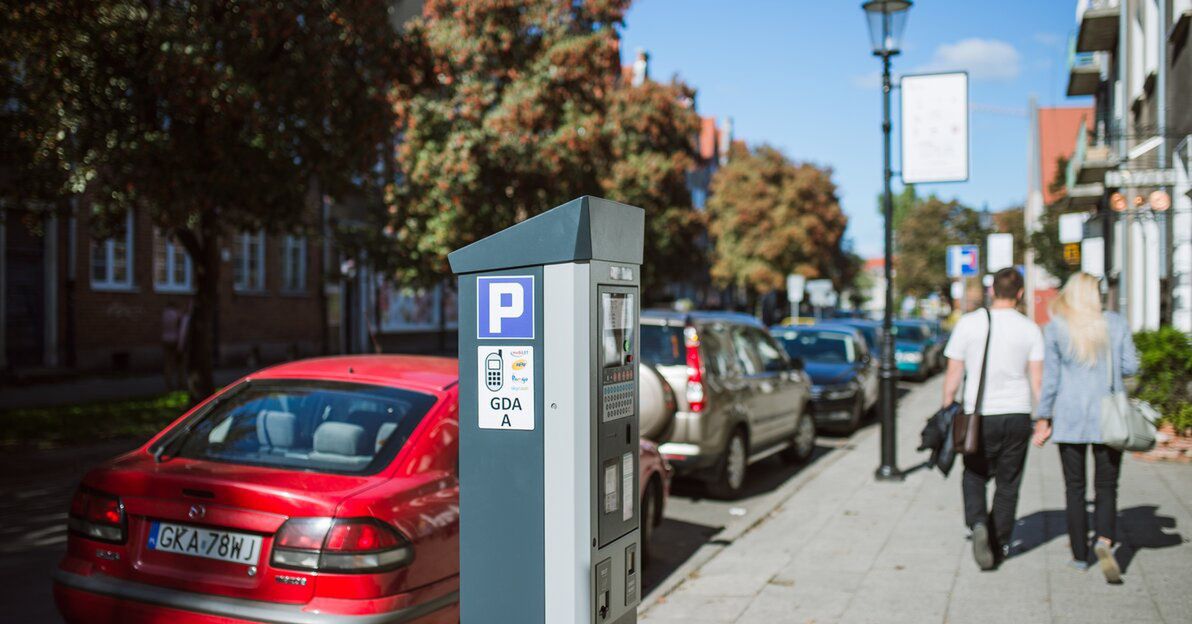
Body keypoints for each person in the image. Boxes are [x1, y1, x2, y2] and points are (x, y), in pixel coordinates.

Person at [1034, 272, 1138, 583]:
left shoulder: (1055, 329)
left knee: (1074, 489)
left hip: (1069, 416)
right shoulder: (1116, 324)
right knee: (1107, 487)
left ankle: (1080, 556)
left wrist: (1043, 417)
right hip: (1109, 417)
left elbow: (1050, 380)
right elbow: (1131, 366)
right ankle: (1104, 540)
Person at [941, 267, 1044, 570]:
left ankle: (977, 523)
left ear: (992, 291)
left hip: (978, 414)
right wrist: (1044, 419)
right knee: (1008, 482)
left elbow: (954, 372)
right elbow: (1038, 381)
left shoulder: (969, 324)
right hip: (1017, 413)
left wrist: (947, 406)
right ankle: (999, 542)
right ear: (1020, 293)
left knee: (974, 473)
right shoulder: (1029, 328)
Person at [161, 302, 185, 391]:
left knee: (168, 364)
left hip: (165, 339)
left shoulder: (165, 314)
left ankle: (168, 384)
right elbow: (181, 329)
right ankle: (181, 383)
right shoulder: (177, 314)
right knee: (180, 364)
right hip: (175, 340)